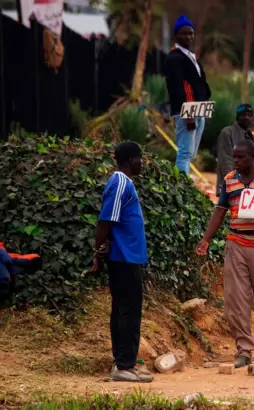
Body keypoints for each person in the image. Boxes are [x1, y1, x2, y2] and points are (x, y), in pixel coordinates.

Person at [196, 140, 254, 368]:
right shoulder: (229, 180)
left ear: (253, 157)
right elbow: (220, 211)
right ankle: (244, 350)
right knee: (237, 302)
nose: (235, 161)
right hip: (236, 244)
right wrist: (206, 239)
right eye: (234, 157)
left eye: (240, 158)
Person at [93, 141, 152, 382]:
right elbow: (105, 220)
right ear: (129, 160)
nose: (142, 162)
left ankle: (125, 362)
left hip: (129, 257)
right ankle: (123, 366)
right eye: (140, 158)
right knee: (127, 310)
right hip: (123, 258)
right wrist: (98, 253)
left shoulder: (125, 183)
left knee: (126, 309)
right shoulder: (119, 183)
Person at [164, 15, 211, 174]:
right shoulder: (174, 58)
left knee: (191, 153)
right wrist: (188, 114)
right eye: (184, 33)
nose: (188, 37)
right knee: (184, 153)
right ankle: (181, 188)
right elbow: (177, 87)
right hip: (187, 111)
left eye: (191, 33)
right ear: (176, 35)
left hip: (199, 109)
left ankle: (184, 184)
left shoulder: (191, 56)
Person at [215, 104, 254, 196]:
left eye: (249, 115)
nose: (246, 117)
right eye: (243, 115)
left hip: (251, 187)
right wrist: (231, 183)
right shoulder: (227, 132)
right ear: (237, 117)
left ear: (253, 118)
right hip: (232, 185)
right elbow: (226, 160)